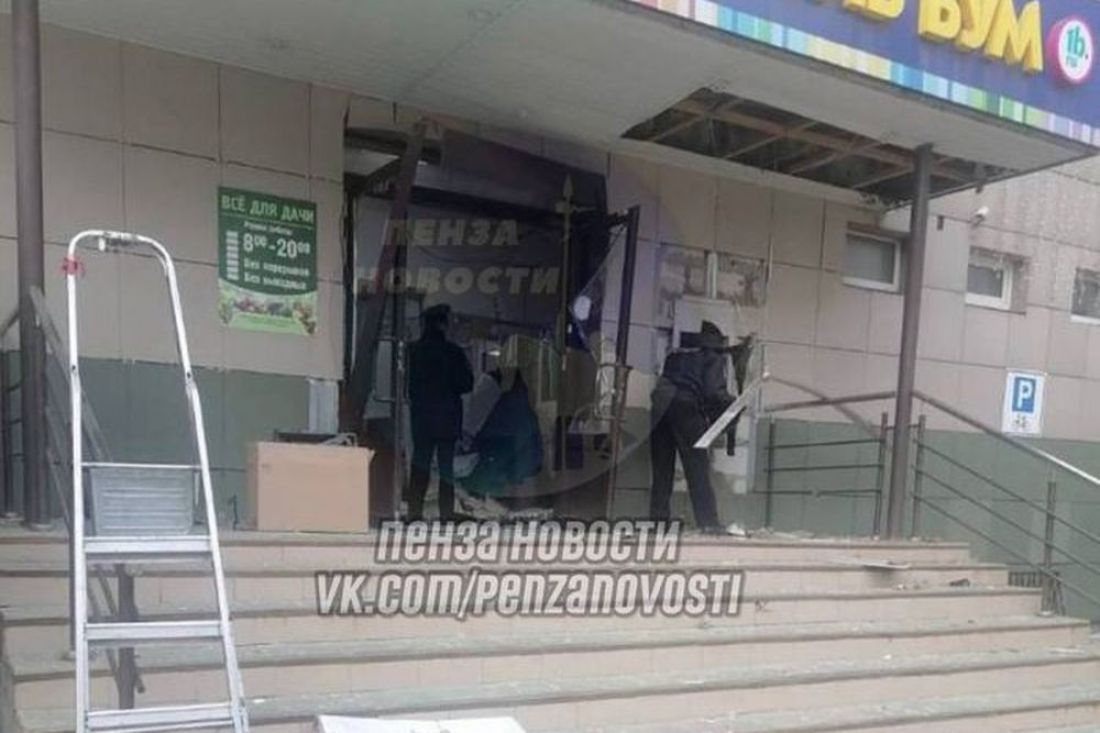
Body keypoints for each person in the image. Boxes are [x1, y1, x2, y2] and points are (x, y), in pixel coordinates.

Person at [649, 321, 739, 532]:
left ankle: (658, 522)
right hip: (686, 407)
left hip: (660, 406)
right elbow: (713, 393)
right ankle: (708, 522)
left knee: (662, 470)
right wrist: (732, 406)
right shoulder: (712, 357)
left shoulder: (674, 355)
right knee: (697, 468)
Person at [407, 303, 474, 520]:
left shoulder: (413, 351)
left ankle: (414, 513)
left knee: (420, 464)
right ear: (442, 325)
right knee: (446, 468)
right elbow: (467, 384)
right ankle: (446, 514)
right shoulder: (453, 352)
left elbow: (407, 385)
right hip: (447, 418)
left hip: (422, 417)